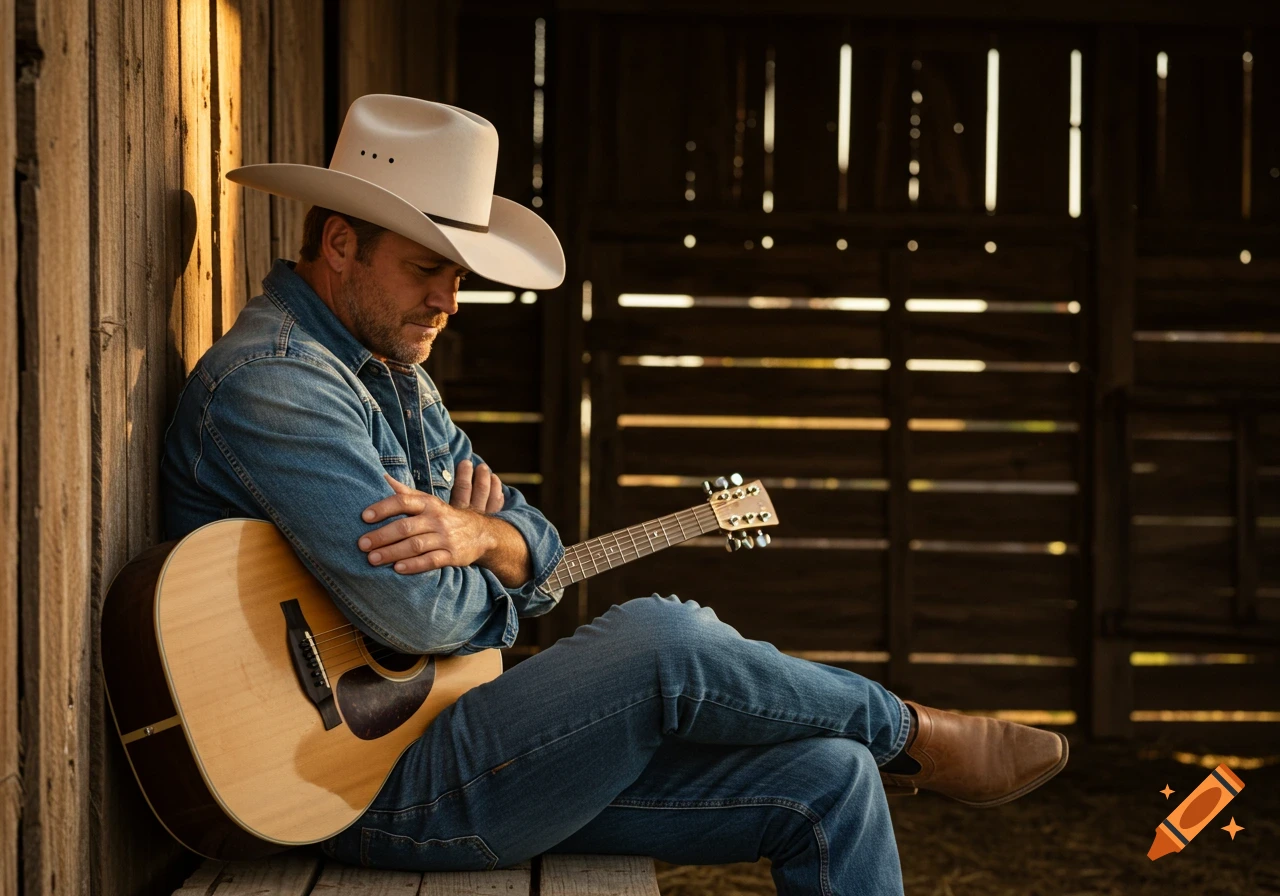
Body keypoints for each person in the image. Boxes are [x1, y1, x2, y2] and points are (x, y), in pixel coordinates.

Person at [161, 94, 1068, 895]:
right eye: (424, 270)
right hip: (352, 787)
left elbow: (533, 546)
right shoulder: (280, 383)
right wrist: (497, 565)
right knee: (662, 637)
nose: (450, 301)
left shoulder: (392, 374)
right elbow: (416, 616)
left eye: (459, 275)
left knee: (830, 777)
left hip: (441, 733)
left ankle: (884, 740)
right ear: (341, 243)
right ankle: (911, 729)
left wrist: (485, 540)